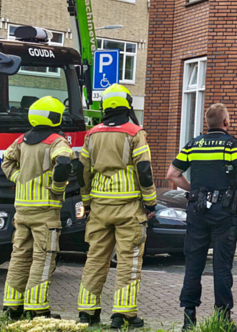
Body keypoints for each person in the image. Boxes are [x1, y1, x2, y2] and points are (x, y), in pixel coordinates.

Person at [167, 103, 237, 331]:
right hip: (223, 214)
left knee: (193, 265)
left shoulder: (193, 144)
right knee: (222, 267)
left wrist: (192, 190)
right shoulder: (230, 145)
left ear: (208, 123)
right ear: (225, 122)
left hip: (197, 212)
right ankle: (223, 321)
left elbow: (172, 174)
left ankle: (188, 321)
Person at [77, 84, 157, 329]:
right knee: (129, 260)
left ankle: (87, 313)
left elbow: (83, 172)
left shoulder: (91, 134)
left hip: (99, 207)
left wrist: (87, 201)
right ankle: (123, 314)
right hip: (129, 207)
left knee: (95, 259)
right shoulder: (135, 132)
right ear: (127, 105)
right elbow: (144, 170)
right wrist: (150, 200)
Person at [0, 97, 74, 320]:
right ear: (55, 117)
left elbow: (6, 162)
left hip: (22, 209)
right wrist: (57, 188)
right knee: (43, 258)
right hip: (45, 210)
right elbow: (63, 164)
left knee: (20, 256)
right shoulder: (57, 141)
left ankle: (12, 307)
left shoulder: (21, 140)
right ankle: (37, 309)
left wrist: (19, 178)